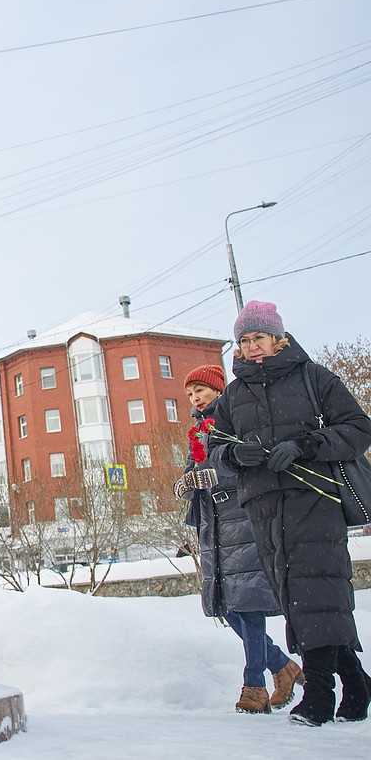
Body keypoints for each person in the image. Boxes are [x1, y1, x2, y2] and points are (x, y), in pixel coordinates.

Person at [209, 301, 371, 726]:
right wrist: (235, 454)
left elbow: (357, 428)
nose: (252, 347)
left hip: (314, 498)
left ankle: (319, 694)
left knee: (318, 592)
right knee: (298, 599)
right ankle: (357, 683)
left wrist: (305, 446)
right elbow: (215, 451)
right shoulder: (233, 395)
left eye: (259, 337)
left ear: (278, 337)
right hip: (262, 506)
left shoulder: (313, 377)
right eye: (244, 340)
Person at [174, 364, 300, 713]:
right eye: (189, 394)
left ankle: (254, 684)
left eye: (200, 390)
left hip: (241, 519)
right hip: (212, 525)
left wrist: (214, 475)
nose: (194, 398)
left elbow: (246, 460)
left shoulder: (234, 418)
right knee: (227, 607)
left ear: (217, 390)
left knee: (249, 602)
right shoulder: (197, 432)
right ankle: (282, 666)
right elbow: (191, 472)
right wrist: (185, 485)